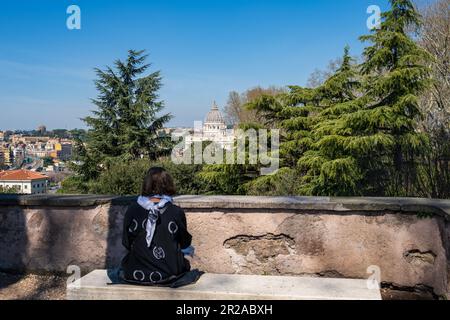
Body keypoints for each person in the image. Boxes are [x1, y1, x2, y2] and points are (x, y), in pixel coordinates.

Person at [115, 167, 201, 287]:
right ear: (168, 184)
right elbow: (185, 243)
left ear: (146, 184)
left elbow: (126, 243)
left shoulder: (132, 209)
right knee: (184, 262)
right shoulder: (175, 212)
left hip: (134, 273)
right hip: (169, 274)